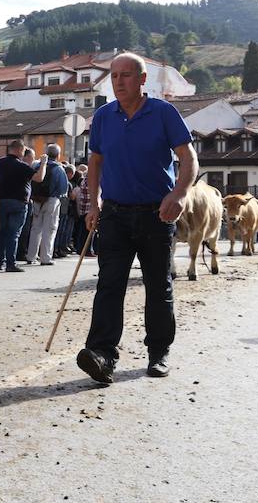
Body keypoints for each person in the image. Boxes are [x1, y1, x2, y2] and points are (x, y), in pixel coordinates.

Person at [76, 53, 195, 383]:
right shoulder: (102, 117)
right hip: (114, 213)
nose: (119, 82)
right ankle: (101, 354)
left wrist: (180, 194)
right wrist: (94, 203)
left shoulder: (163, 113)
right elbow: (95, 161)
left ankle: (159, 352)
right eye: (114, 76)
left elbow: (188, 157)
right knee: (109, 285)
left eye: (126, 75)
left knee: (158, 286)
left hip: (157, 213)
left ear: (142, 80)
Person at [0, 139, 46, 273]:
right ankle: (11, 263)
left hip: (4, 200)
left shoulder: (1, 163)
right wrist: (43, 164)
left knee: (4, 232)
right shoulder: (21, 166)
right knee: (14, 234)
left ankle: (1, 261)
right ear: (19, 150)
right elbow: (39, 178)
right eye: (23, 151)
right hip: (18, 201)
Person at [26, 144, 68, 265]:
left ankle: (31, 256)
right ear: (58, 155)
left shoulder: (37, 165)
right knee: (49, 229)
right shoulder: (59, 169)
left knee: (35, 229)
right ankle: (46, 258)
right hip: (52, 200)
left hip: (36, 200)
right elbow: (63, 189)